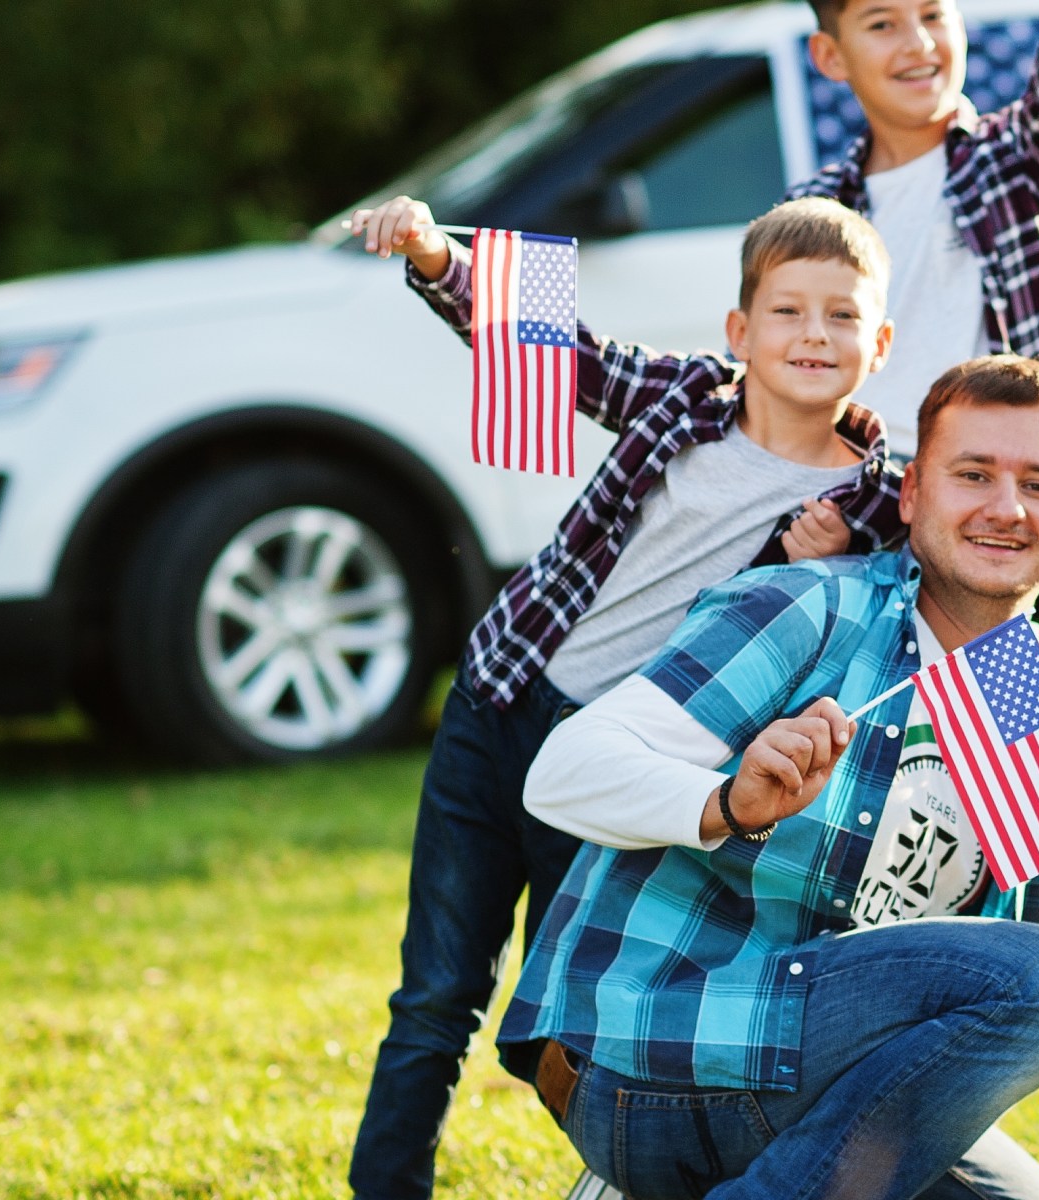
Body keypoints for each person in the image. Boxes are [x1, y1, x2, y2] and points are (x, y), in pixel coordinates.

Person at [333, 194, 910, 1199]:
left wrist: (839, 557)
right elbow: (561, 348)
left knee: (571, 1014)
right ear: (740, 330)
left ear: (881, 341)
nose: (813, 335)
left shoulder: (867, 502)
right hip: (502, 703)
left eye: (842, 316)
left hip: (622, 772)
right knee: (436, 995)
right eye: (787, 312)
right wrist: (435, 253)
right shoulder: (686, 397)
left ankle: (629, 1171)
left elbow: (892, 611)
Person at [503, 355, 1039, 1200]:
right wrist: (727, 802)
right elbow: (561, 774)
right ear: (911, 494)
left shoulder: (1021, 702)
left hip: (826, 1091)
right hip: (651, 1065)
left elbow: (1029, 1018)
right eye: (973, 474)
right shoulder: (814, 609)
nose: (1007, 508)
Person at [792, 3, 1039, 1194]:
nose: (921, 40)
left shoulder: (1007, 162)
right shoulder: (818, 211)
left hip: (984, 565)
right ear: (833, 58)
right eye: (885, 22)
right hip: (865, 564)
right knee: (857, 843)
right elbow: (781, 373)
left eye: (937, 13)